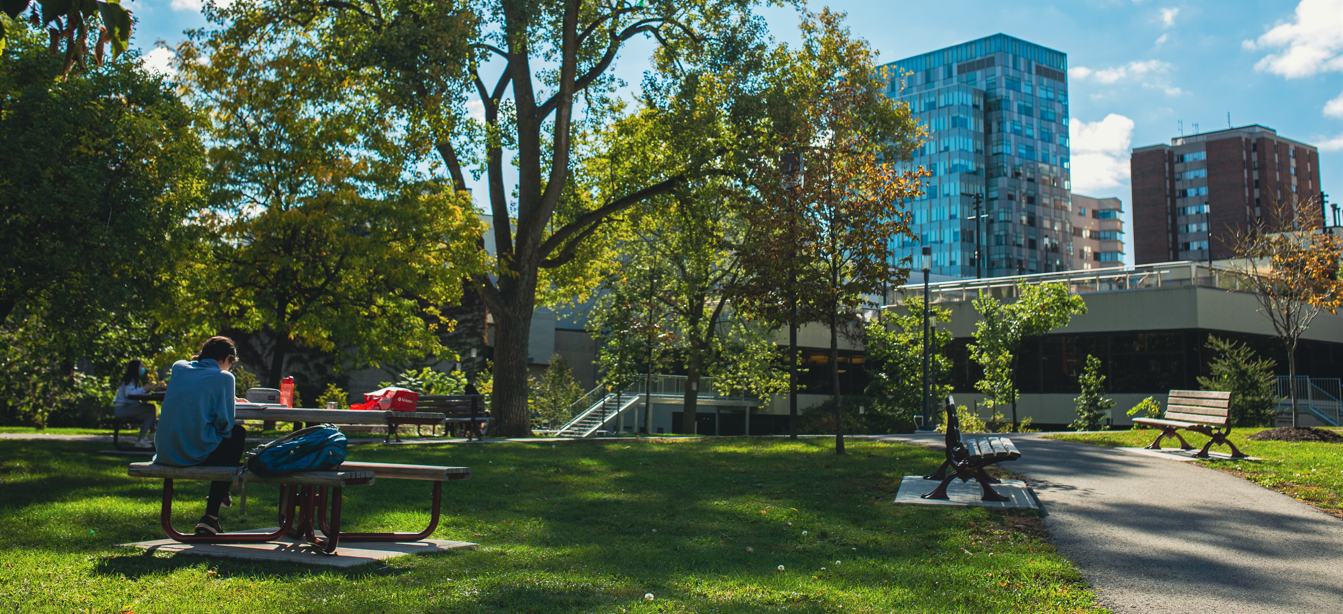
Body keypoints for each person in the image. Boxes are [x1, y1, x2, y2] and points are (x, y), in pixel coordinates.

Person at [152, 336, 246, 536]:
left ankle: (222, 497)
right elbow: (225, 425)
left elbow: (196, 391)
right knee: (237, 435)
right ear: (229, 358)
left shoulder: (179, 367)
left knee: (228, 440)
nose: (231, 368)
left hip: (165, 450)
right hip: (191, 453)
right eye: (232, 364)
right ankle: (211, 516)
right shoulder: (225, 378)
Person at [112, 359, 157, 448]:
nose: (142, 369)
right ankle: (152, 432)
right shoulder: (129, 380)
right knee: (151, 407)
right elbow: (130, 394)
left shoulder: (133, 380)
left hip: (129, 408)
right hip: (123, 409)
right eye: (141, 366)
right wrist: (144, 389)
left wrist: (145, 390)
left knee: (149, 415)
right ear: (135, 367)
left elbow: (134, 393)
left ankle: (140, 439)